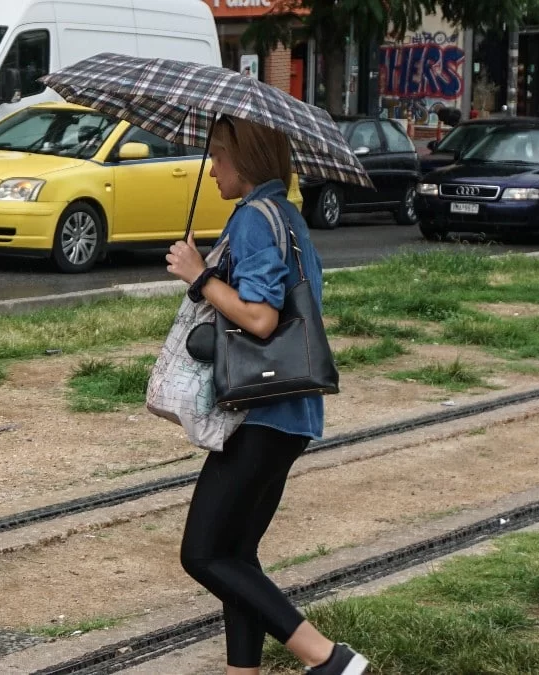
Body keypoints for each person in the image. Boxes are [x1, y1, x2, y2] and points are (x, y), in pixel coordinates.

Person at [164, 115, 369, 675]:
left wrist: (199, 276)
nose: (212, 168)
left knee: (203, 553)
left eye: (219, 157)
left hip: (261, 411)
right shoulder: (286, 215)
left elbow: (259, 318)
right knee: (238, 555)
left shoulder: (256, 219)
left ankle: (329, 659)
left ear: (246, 159)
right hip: (290, 412)